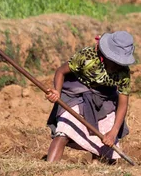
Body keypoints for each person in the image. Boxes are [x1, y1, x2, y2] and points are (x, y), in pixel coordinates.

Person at [45, 31, 135, 164]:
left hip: (104, 101)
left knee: (106, 142)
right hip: (77, 95)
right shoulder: (87, 56)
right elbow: (61, 71)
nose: (116, 63)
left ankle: (98, 173)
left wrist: (114, 132)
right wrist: (57, 92)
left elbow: (123, 103)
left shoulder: (123, 72)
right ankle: (49, 169)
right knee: (63, 131)